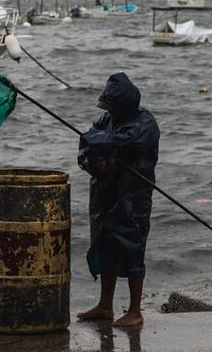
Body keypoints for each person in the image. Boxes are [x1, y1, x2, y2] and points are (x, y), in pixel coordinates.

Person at [75, 73, 160, 327]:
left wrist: (97, 143)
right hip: (103, 195)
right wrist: (92, 162)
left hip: (132, 197)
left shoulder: (145, 124)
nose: (109, 111)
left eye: (113, 106)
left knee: (133, 248)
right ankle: (104, 306)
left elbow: (125, 141)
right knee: (105, 247)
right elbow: (86, 144)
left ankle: (135, 310)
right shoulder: (105, 120)